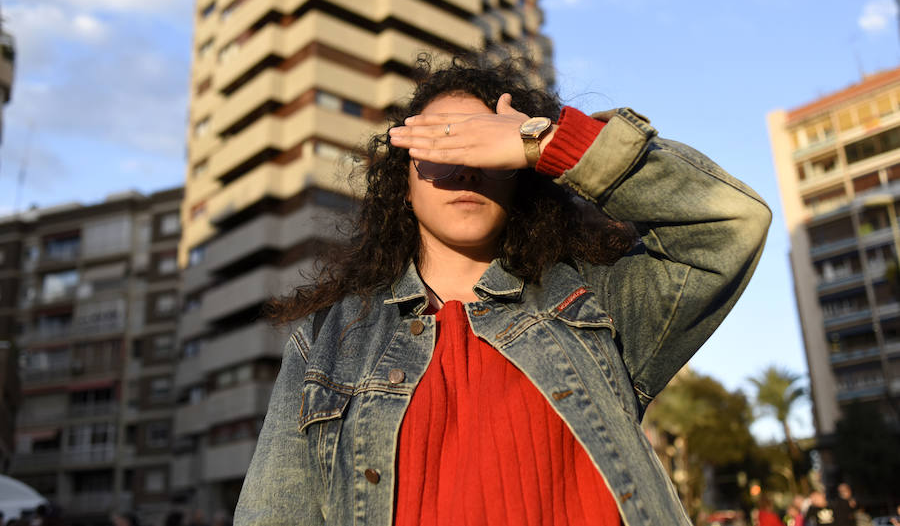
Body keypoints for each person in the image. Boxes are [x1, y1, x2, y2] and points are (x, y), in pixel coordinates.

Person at [234, 54, 771, 525]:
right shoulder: (328, 341)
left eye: (482, 144)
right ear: (404, 185)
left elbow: (732, 223)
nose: (466, 165)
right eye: (441, 144)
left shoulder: (595, 302)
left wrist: (550, 142)